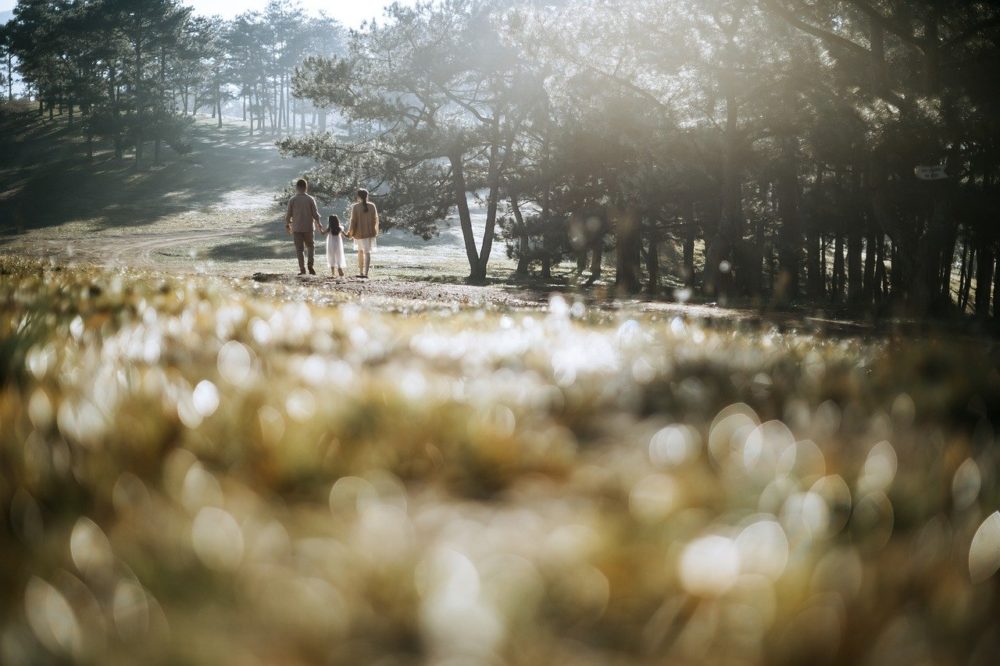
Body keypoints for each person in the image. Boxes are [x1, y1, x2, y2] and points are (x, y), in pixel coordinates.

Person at [285, 178, 323, 275]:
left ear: (297, 188)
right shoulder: (310, 199)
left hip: (297, 228)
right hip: (308, 228)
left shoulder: (292, 200)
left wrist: (288, 225)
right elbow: (315, 214)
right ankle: (310, 265)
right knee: (310, 246)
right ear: (306, 187)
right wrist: (319, 223)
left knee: (299, 249)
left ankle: (302, 269)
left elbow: (288, 215)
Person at [347, 188, 379, 279]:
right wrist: (374, 231)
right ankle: (366, 273)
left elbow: (353, 221)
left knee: (360, 252)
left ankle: (361, 272)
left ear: (358, 196)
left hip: (359, 233)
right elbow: (375, 220)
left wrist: (350, 233)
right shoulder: (372, 206)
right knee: (367, 253)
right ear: (367, 196)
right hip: (369, 233)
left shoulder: (355, 207)